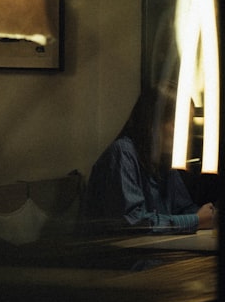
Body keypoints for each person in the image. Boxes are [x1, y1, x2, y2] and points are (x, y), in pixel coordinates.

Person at [82, 85, 216, 233]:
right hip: (115, 254)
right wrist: (195, 220)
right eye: (180, 125)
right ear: (154, 123)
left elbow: (184, 208)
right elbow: (133, 221)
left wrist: (210, 215)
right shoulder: (122, 153)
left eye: (189, 127)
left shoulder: (164, 159)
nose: (187, 134)